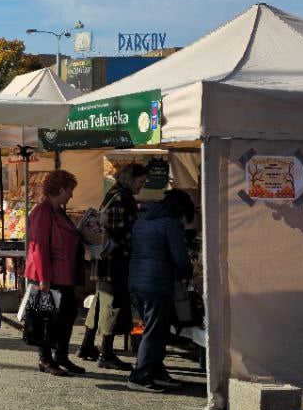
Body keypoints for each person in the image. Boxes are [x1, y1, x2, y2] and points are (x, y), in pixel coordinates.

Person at [77, 163, 148, 370]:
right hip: (114, 261)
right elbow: (118, 231)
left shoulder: (112, 194)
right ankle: (106, 353)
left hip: (103, 260)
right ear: (130, 179)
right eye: (140, 182)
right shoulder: (122, 197)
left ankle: (87, 345)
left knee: (100, 302)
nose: (141, 187)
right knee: (112, 304)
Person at [127, 189, 195, 393]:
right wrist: (187, 272)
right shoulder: (170, 222)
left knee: (153, 326)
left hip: (137, 279)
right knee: (155, 329)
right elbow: (180, 256)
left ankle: (156, 371)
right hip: (156, 282)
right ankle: (141, 375)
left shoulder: (144, 218)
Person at [25, 169, 85, 376]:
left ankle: (61, 356)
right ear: (60, 189)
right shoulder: (43, 212)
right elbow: (39, 247)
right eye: (69, 190)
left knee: (66, 316)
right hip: (51, 275)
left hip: (64, 273)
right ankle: (45, 359)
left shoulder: (57, 210)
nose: (71, 195)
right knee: (47, 318)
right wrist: (44, 278)